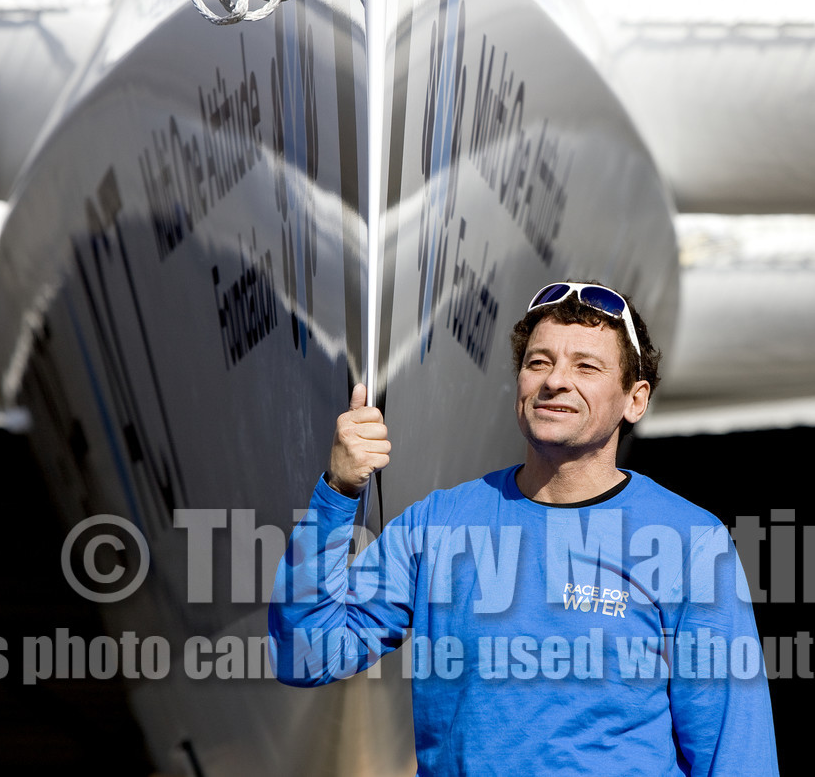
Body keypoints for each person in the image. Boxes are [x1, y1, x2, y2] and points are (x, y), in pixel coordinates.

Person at [269, 281, 778, 776]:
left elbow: (736, 752)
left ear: (635, 400)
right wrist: (338, 491)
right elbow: (305, 653)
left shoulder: (689, 542)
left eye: (586, 366)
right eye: (539, 362)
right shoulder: (439, 524)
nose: (555, 380)